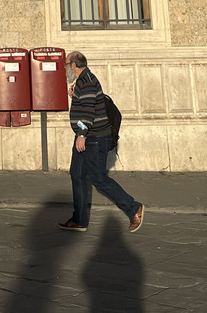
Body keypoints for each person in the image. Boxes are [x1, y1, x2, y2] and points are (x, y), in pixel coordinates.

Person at [59, 50, 144, 233]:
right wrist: (76, 96)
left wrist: (82, 134)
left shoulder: (87, 82)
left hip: (94, 138)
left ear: (74, 65)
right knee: (77, 174)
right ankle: (79, 220)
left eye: (66, 64)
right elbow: (88, 106)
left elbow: (89, 112)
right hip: (89, 136)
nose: (65, 67)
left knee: (99, 179)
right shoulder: (83, 81)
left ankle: (133, 208)